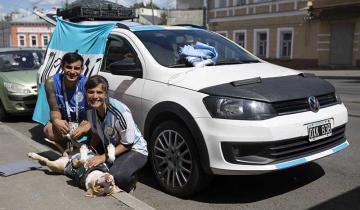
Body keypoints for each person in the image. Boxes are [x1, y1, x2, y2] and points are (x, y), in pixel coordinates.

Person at [84, 75, 148, 192]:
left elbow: (128, 143)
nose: (95, 96)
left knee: (116, 177)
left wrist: (103, 157)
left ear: (106, 94)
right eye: (91, 92)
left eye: (99, 92)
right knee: (96, 172)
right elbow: (96, 134)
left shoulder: (119, 111)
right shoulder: (90, 111)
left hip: (134, 149)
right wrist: (88, 153)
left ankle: (131, 180)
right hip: (112, 150)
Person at [44, 52, 91, 154]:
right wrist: (56, 121)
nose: (72, 72)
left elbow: (95, 112)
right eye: (68, 67)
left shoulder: (88, 83)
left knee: (93, 129)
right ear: (62, 67)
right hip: (65, 120)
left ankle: (86, 145)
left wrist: (86, 126)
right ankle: (66, 144)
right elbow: (54, 110)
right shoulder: (51, 82)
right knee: (49, 131)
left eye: (76, 68)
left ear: (82, 69)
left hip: (83, 120)